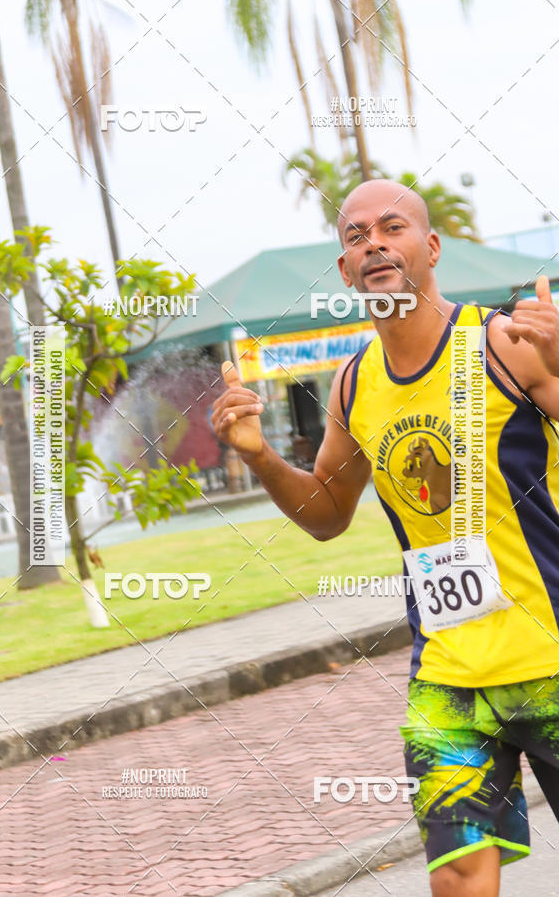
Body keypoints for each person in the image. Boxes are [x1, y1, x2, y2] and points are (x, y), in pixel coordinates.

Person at [211, 179, 559, 897]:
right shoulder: (352, 385)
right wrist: (260, 456)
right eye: (355, 235)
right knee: (460, 872)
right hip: (448, 674)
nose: (373, 242)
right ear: (346, 271)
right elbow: (328, 512)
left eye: (392, 228)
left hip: (551, 653)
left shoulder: (505, 344)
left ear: (429, 250)